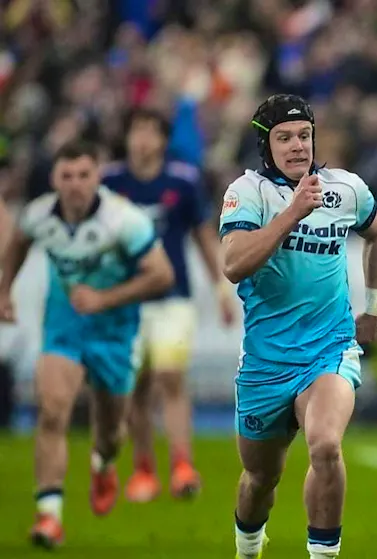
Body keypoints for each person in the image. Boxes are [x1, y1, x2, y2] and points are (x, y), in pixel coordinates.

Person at [219, 94, 377, 559]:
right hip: (266, 360)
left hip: (328, 349)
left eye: (304, 135)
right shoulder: (247, 192)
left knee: (326, 445)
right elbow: (234, 265)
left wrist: (374, 309)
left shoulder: (346, 189)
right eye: (284, 138)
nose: (297, 145)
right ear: (266, 145)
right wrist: (292, 213)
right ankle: (248, 548)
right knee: (260, 478)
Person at [0, 141, 174, 549]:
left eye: (83, 175)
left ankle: (104, 462)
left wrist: (104, 299)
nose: (75, 184)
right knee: (52, 411)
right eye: (67, 176)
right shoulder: (39, 215)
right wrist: (5, 289)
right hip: (64, 327)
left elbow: (162, 275)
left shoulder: (125, 221)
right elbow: (18, 244)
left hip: (115, 332)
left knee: (111, 430)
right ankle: (49, 515)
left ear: (98, 177)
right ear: (54, 179)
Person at [103, 107, 236, 502]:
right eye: (136, 131)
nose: (143, 140)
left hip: (173, 298)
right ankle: (144, 469)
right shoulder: (110, 182)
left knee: (170, 376)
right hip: (126, 301)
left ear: (163, 140)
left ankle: (182, 465)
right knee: (135, 388)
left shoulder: (182, 181)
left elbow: (202, 235)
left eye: (150, 131)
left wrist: (221, 288)